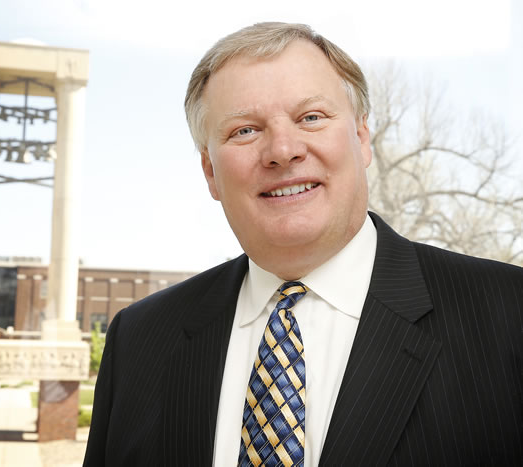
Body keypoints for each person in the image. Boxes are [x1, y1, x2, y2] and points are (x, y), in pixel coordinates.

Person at [83, 22, 522, 466]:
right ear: (211, 172)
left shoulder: (509, 314)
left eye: (311, 118)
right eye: (245, 131)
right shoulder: (139, 342)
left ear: (362, 138)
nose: (283, 149)